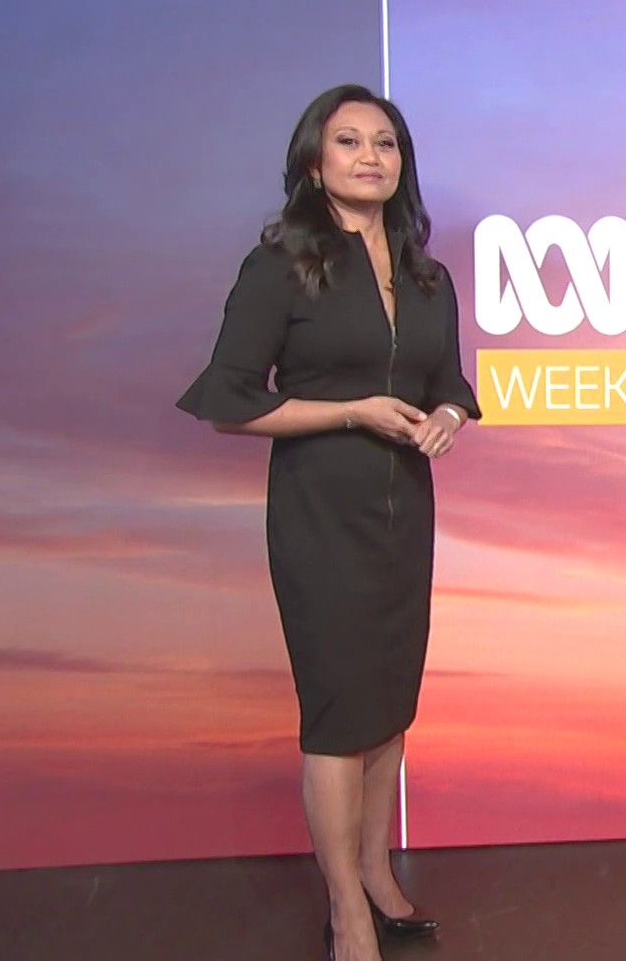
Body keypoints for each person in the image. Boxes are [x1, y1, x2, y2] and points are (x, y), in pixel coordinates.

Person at [176, 84, 481, 961]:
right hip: (321, 514)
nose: (369, 157)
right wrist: (351, 411)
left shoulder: (427, 276)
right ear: (315, 163)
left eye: (385, 143)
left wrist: (448, 417)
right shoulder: (281, 265)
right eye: (348, 141)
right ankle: (345, 906)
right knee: (341, 712)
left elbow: (449, 383)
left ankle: (378, 873)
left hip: (403, 513)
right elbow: (230, 403)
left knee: (389, 705)